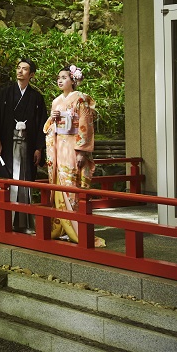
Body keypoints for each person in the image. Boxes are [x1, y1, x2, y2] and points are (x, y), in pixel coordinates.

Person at [43, 64, 106, 247]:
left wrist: (81, 151)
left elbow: (86, 125)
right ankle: (62, 226)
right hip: (59, 148)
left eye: (64, 77)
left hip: (73, 146)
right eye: (59, 78)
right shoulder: (56, 101)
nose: (60, 80)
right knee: (59, 184)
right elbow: (48, 128)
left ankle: (76, 229)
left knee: (72, 186)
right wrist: (52, 119)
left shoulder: (80, 99)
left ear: (73, 80)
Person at [0, 58, 47, 232]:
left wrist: (38, 148)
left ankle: (23, 223)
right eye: (18, 68)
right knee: (5, 181)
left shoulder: (36, 98)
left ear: (32, 75)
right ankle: (2, 221)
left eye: (25, 69)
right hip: (6, 145)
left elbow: (41, 123)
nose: (20, 71)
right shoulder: (5, 94)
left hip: (27, 148)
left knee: (24, 181)